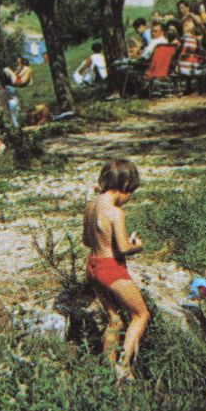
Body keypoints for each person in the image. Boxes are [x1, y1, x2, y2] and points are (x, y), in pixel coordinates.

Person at [82, 159, 149, 381]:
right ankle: (124, 365)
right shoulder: (115, 212)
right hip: (110, 269)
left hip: (93, 266)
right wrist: (137, 245)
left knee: (114, 320)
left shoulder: (91, 206)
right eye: (130, 193)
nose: (129, 199)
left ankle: (105, 370)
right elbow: (123, 248)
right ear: (125, 186)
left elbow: (85, 241)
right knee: (140, 314)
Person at [3, 56, 32, 127]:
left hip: (18, 82)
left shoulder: (27, 68)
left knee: (6, 69)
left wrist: (15, 74)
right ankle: (17, 124)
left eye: (19, 61)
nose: (18, 62)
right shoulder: (21, 68)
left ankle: (17, 125)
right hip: (15, 84)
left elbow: (20, 77)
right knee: (15, 109)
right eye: (17, 61)